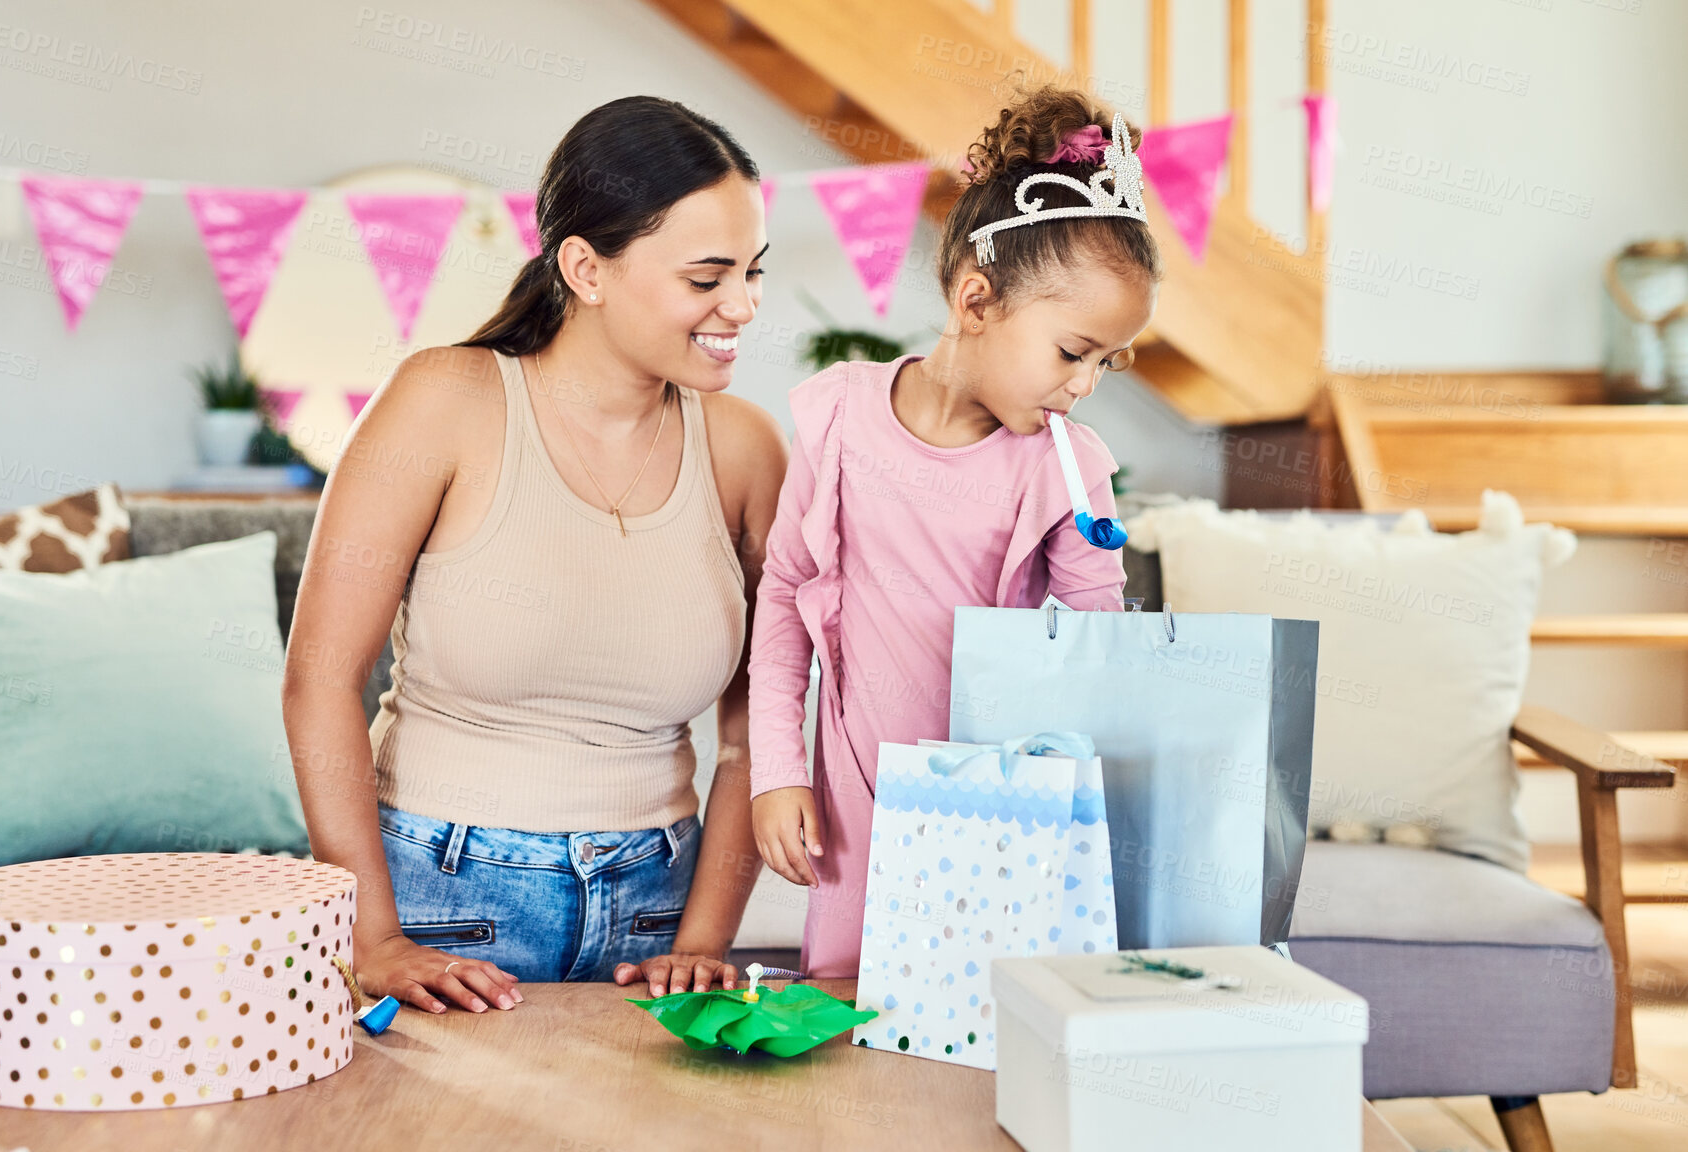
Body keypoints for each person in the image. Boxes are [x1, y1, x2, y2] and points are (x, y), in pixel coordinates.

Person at [282, 95, 788, 1014]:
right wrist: (375, 937)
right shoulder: (445, 400)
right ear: (585, 268)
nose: (743, 307)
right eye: (707, 277)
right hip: (440, 899)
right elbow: (318, 677)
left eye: (754, 272)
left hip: (655, 914)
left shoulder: (748, 451)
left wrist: (705, 940)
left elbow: (761, 732)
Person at [745, 83, 1160, 977]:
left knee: (975, 1044)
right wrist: (777, 771)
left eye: (1105, 364)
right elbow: (783, 601)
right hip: (854, 807)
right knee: (856, 1038)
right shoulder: (837, 419)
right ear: (976, 301)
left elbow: (1098, 657)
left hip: (1001, 818)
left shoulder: (1070, 465)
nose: (1085, 385)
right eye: (1072, 351)